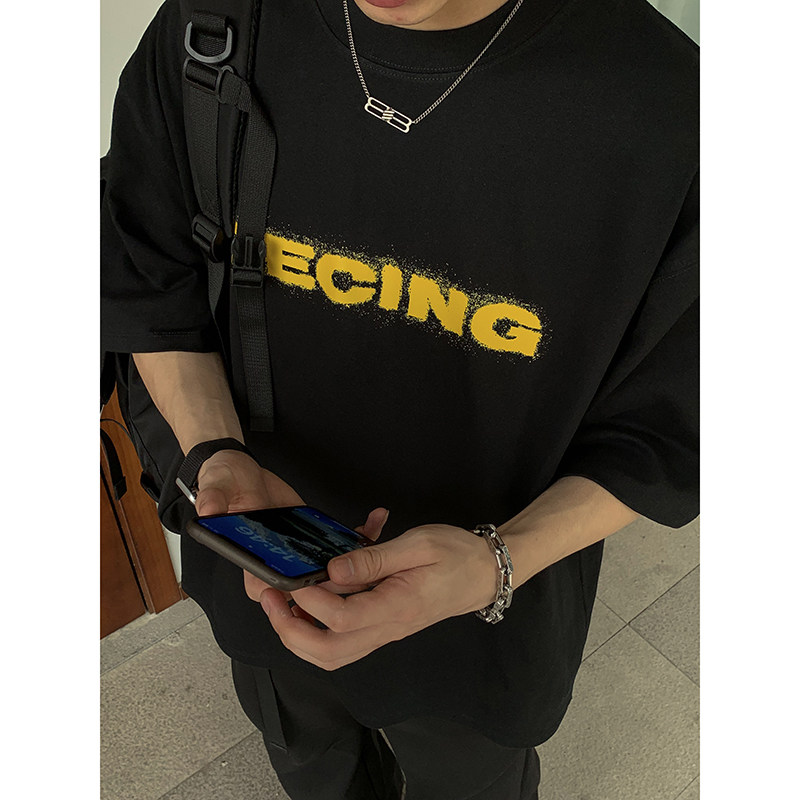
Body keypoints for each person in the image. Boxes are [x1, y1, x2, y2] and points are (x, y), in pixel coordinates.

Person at [101, 0, 699, 797]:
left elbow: (670, 425)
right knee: (313, 768)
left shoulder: (673, 111)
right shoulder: (211, 23)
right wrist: (214, 452)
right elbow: (145, 273)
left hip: (484, 617)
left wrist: (497, 563)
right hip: (262, 568)